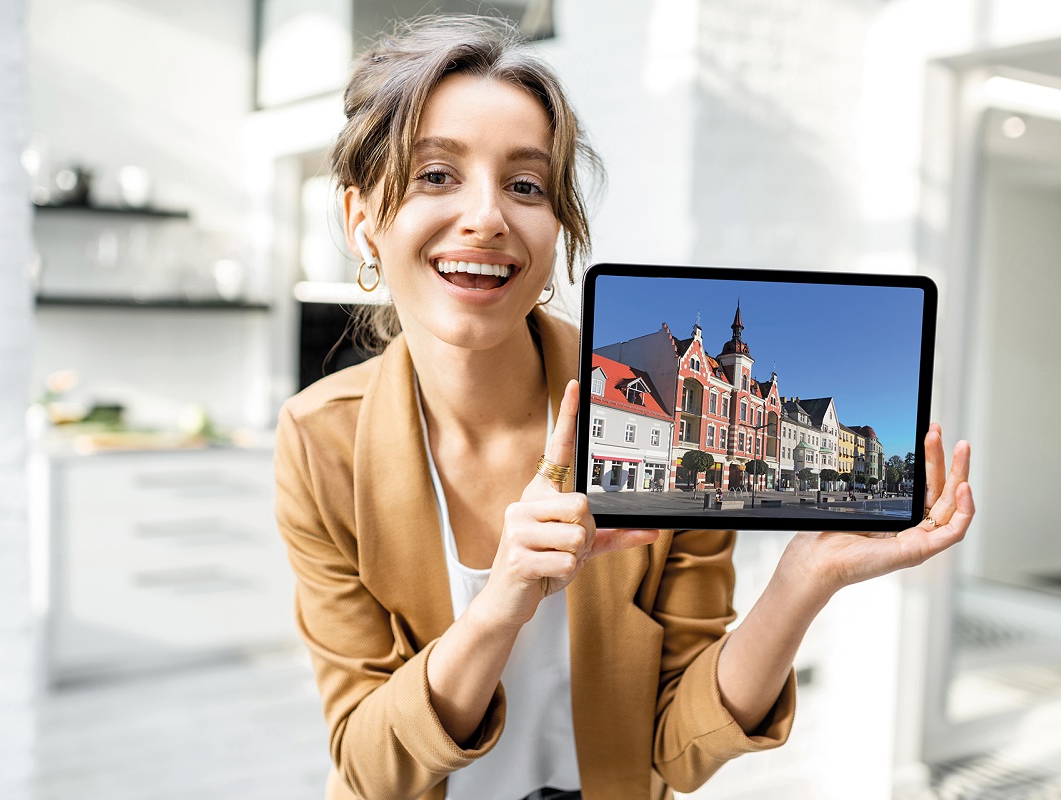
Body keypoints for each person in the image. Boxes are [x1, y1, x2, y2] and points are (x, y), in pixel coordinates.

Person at [274, 16, 974, 800]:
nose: (488, 216)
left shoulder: (667, 419)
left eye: (526, 185)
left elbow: (679, 749)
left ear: (558, 232)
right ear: (360, 220)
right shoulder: (319, 440)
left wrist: (803, 581)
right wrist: (500, 604)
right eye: (436, 175)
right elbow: (370, 770)